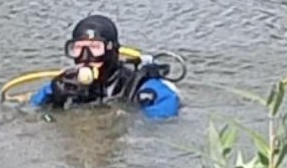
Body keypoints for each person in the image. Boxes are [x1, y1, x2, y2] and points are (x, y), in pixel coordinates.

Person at [29, 14, 181, 119]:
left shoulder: (139, 86)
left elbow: (165, 115)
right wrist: (55, 101)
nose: (86, 56)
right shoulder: (65, 84)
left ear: (112, 49)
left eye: (95, 47)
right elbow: (29, 110)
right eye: (78, 47)